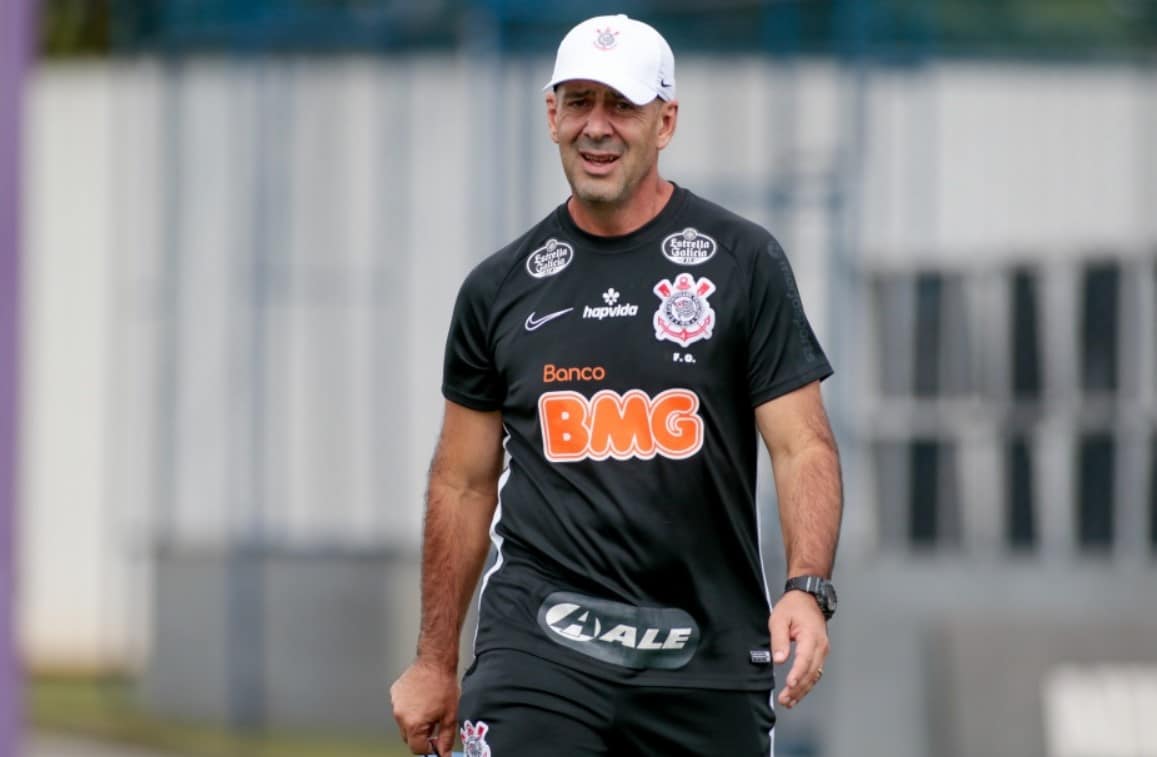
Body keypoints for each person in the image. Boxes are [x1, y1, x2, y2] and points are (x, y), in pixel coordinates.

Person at [391, 13, 842, 757]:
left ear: (664, 122)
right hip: (539, 650)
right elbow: (462, 483)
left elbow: (802, 446)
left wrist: (807, 587)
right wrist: (436, 660)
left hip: (706, 659)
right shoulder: (498, 288)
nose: (596, 127)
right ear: (551, 115)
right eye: (578, 102)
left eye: (621, 106)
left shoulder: (742, 262)